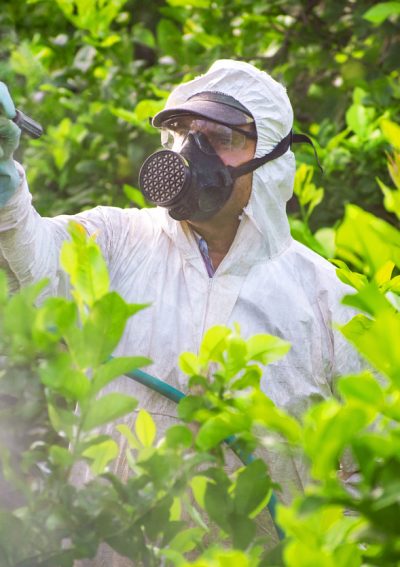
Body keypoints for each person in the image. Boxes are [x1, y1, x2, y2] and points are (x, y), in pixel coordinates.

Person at [0, 59, 362, 564]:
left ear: (275, 159)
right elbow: (34, 264)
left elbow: (367, 472)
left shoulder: (327, 299)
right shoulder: (117, 239)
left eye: (221, 137)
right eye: (182, 132)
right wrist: (7, 192)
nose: (192, 153)